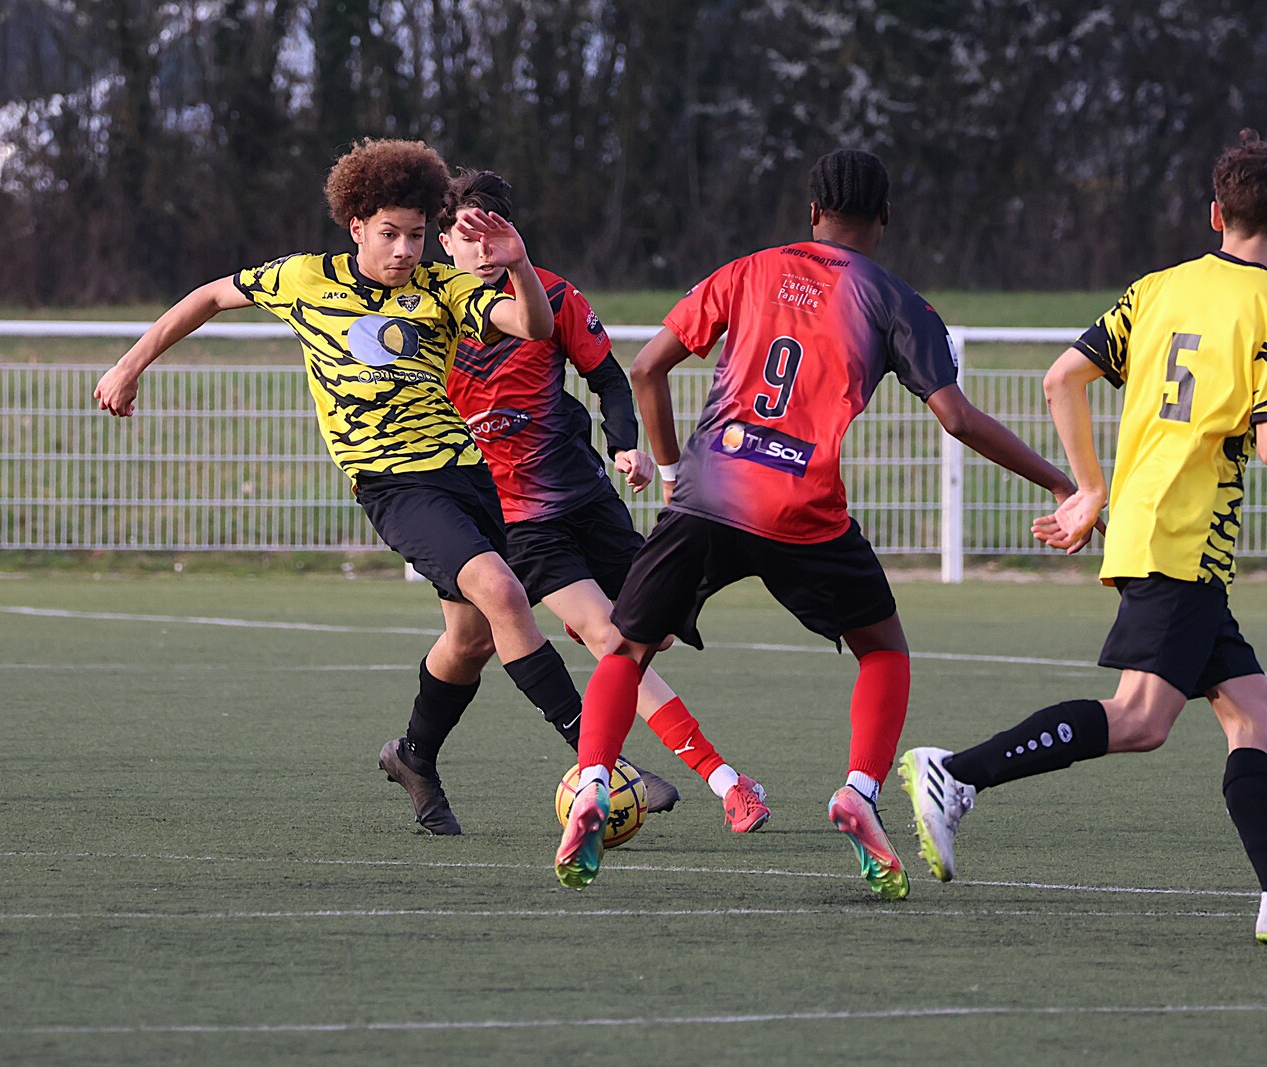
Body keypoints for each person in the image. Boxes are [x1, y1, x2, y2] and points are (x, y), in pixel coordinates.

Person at [553, 148, 1080, 894]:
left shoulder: (749, 270)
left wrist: (670, 471)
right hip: (803, 508)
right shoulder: (897, 301)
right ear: (885, 218)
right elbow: (958, 418)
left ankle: (595, 781)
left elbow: (644, 369)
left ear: (811, 212)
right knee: (883, 650)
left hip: (708, 493)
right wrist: (1058, 481)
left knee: (626, 649)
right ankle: (859, 792)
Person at [95, 138, 598, 836]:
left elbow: (533, 327)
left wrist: (518, 267)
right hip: (392, 482)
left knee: (472, 640)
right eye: (390, 234)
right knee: (504, 593)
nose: (404, 250)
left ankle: (413, 755)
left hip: (464, 473)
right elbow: (210, 296)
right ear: (357, 226)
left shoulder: (444, 286)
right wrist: (129, 365)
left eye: (416, 235)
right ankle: (600, 759)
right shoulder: (305, 278)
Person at [900, 129, 1267, 943]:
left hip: (1149, 527)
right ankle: (956, 772)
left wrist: (1090, 486)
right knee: (1141, 718)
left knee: (1255, 720)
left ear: (1215, 214)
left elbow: (1062, 377)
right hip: (1185, 539)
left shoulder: (1159, 288)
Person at [436, 168, 771, 834]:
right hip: (519, 520)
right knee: (611, 637)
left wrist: (625, 445)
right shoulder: (430, 317)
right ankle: (728, 782)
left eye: (491, 235)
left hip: (589, 498)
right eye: (465, 237)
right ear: (444, 243)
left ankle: (424, 740)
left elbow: (611, 380)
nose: (480, 250)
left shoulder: (553, 297)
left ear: (511, 236)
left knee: (660, 633)